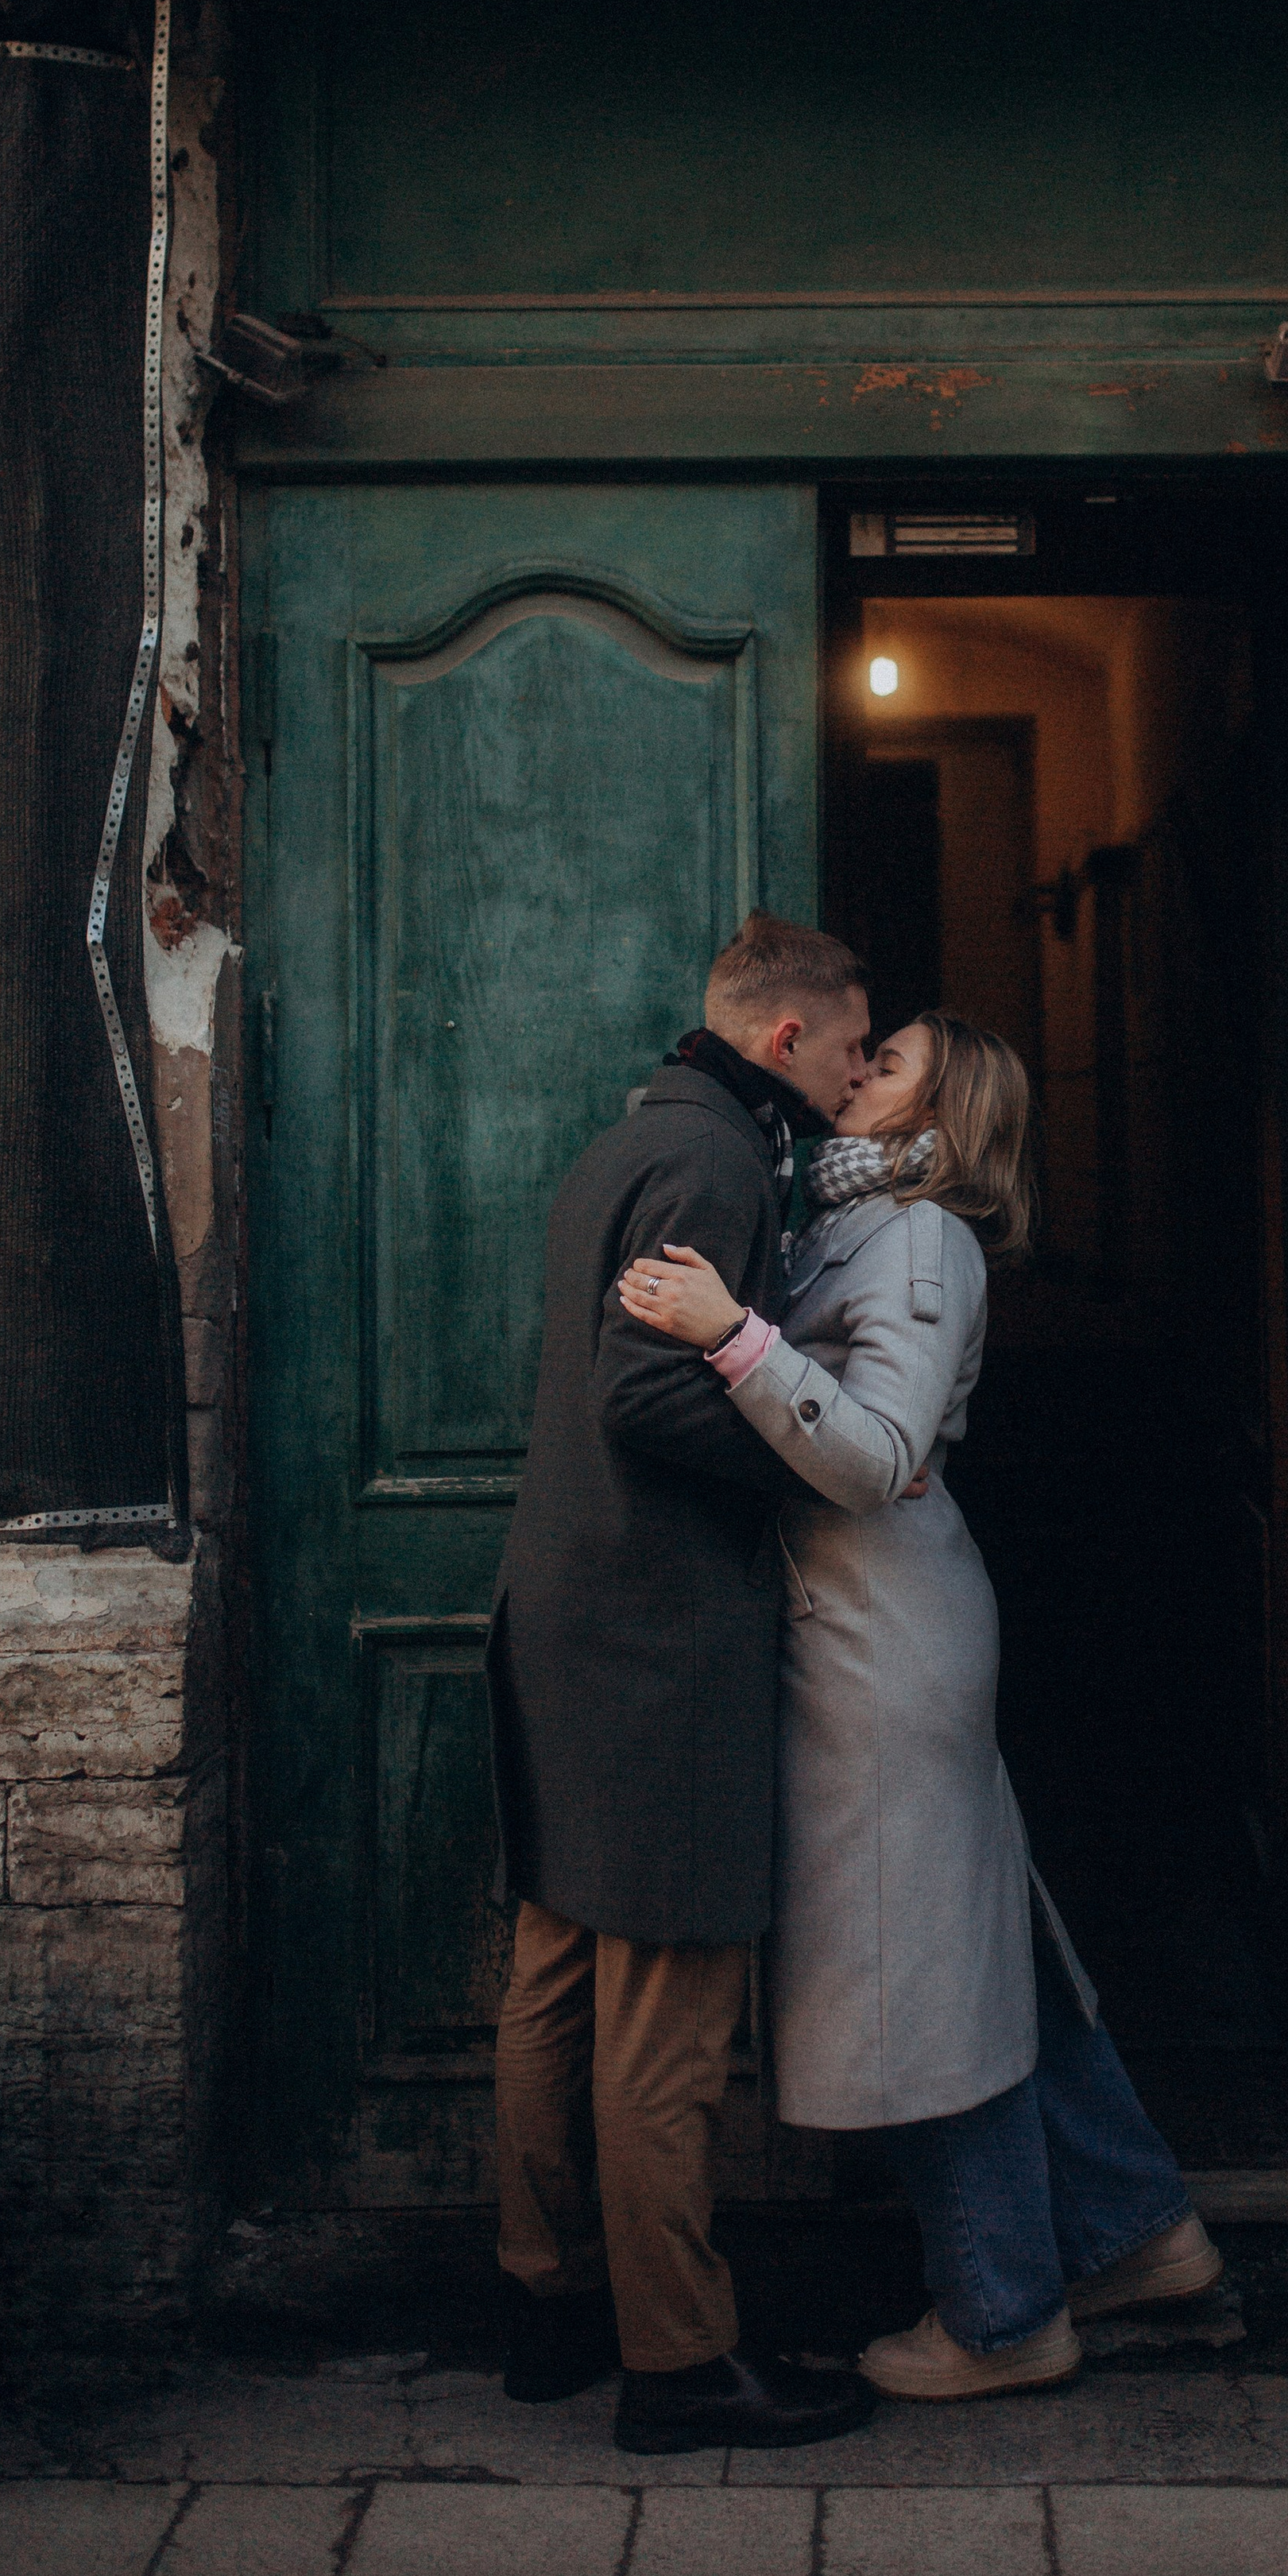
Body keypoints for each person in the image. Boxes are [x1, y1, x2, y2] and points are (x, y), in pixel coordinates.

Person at [617, 1010, 1224, 2401]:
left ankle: (1003, 2312)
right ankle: (1143, 2232)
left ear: (937, 1117)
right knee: (980, 1936)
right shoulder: (855, 1215)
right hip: (876, 1624)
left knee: (919, 1975)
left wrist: (732, 1337)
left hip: (880, 1637)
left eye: (883, 1064)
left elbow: (882, 1448)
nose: (853, 1071)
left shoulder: (917, 1236)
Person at [485, 912, 878, 2455]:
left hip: (567, 1622)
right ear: (785, 1038)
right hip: (655, 1646)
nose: (858, 1077)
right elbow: (649, 1391)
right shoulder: (717, 1162)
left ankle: (547, 2300)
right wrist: (815, 1450)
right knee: (662, 2022)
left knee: (555, 1977)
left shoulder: (633, 1137)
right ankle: (678, 2361)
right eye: (852, 1046)